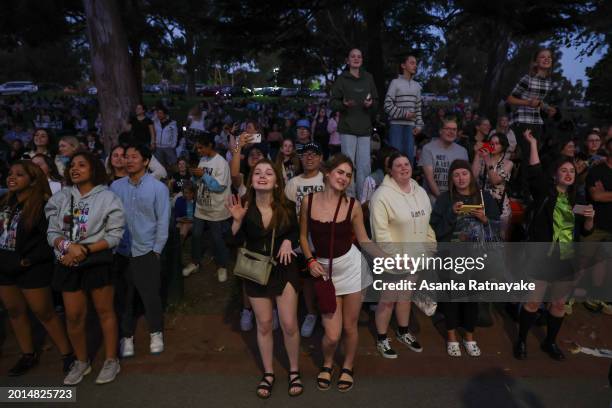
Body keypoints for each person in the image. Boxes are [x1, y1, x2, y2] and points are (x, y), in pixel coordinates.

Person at [514, 130, 595, 361]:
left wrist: (589, 218)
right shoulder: (546, 193)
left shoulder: (577, 199)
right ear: (555, 175)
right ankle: (521, 340)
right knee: (533, 302)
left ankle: (550, 342)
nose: (568, 174)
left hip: (567, 258)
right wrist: (532, 143)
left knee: (558, 304)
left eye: (572, 170)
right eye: (564, 170)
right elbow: (534, 171)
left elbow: (585, 231)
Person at [45, 151, 125, 385]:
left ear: (94, 169)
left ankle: (111, 360)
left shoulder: (108, 198)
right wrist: (67, 249)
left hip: (97, 262)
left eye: (82, 164)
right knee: (73, 316)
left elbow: (114, 236)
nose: (75, 169)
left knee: (104, 311)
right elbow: (52, 233)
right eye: (72, 165)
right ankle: (81, 361)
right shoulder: (60, 198)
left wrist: (85, 250)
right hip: (67, 262)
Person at [226, 159, 303, 399]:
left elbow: (296, 234)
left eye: (268, 173)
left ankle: (293, 370)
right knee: (265, 324)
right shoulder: (244, 206)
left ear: (277, 182)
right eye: (257, 172)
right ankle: (269, 373)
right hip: (256, 270)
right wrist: (237, 221)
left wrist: (290, 241)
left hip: (284, 268)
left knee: (289, 324)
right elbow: (232, 243)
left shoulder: (288, 207)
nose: (262, 176)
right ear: (251, 181)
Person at [300, 154, 373, 392]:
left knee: (350, 327)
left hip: (352, 269)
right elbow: (302, 236)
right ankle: (328, 363)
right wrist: (310, 260)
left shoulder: (352, 207)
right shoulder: (308, 201)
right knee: (332, 335)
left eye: (349, 175)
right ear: (328, 173)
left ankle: (348, 366)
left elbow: (364, 241)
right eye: (340, 172)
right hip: (324, 273)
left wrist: (394, 260)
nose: (344, 178)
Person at [0, 161, 73, 377]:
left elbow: (49, 240)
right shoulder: (4, 201)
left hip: (31, 268)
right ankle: (27, 354)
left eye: (19, 175)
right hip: (4, 268)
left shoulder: (43, 205)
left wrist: (26, 261)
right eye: (10, 173)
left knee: (44, 313)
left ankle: (68, 354)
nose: (11, 177)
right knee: (14, 311)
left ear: (33, 181)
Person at [430, 160, 500, 357]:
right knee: (452, 299)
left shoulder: (484, 197)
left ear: (471, 175)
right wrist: (451, 214)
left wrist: (485, 219)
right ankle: (452, 336)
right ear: (451, 179)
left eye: (464, 173)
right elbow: (435, 230)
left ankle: (469, 336)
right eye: (456, 175)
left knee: (472, 299)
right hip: (451, 256)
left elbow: (498, 228)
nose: (461, 178)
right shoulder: (445, 199)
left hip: (477, 256)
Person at [369, 152, 436, 358]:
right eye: (398, 165)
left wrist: (430, 243)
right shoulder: (381, 196)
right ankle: (382, 338)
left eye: (406, 164)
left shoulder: (420, 190)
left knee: (405, 297)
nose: (404, 168)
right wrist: (397, 257)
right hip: (393, 260)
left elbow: (426, 220)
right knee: (388, 299)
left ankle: (402, 332)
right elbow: (380, 233)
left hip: (416, 257)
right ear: (390, 170)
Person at [111, 144, 170, 358]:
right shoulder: (115, 187)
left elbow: (163, 220)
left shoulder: (157, 188)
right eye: (126, 156)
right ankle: (126, 337)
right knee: (124, 297)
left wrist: (157, 249)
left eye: (134, 156)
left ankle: (156, 332)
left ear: (146, 161)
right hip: (122, 251)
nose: (128, 160)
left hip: (147, 251)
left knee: (151, 296)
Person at [284, 142, 325, 337]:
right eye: (305, 154)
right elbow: (288, 214)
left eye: (314, 154)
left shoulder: (327, 180)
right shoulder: (294, 184)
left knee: (327, 278)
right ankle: (311, 313)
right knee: (308, 279)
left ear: (321, 158)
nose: (309, 157)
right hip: (303, 240)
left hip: (325, 238)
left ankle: (327, 312)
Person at [182, 134, 232, 281]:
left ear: (210, 145)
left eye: (201, 147)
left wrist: (203, 174)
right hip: (201, 207)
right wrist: (194, 177)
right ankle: (195, 262)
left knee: (217, 238)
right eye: (197, 147)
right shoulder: (203, 160)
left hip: (216, 208)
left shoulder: (221, 163)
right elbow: (200, 180)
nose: (198, 150)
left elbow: (218, 187)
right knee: (196, 236)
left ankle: (222, 266)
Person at [330, 48, 378, 198]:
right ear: (348, 60)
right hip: (347, 128)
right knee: (347, 166)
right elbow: (333, 103)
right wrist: (343, 104)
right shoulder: (342, 79)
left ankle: (364, 200)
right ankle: (348, 197)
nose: (356, 59)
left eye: (359, 56)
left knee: (364, 166)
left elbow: (376, 101)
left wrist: (371, 104)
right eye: (353, 56)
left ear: (362, 60)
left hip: (364, 129)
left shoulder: (368, 78)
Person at [507, 48, 557, 193]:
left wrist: (547, 108)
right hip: (523, 120)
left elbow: (538, 102)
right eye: (542, 57)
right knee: (527, 155)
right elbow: (510, 99)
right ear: (536, 62)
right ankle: (523, 191)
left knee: (534, 156)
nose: (547, 59)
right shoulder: (527, 79)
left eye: (549, 57)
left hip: (537, 122)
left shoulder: (548, 82)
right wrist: (528, 103)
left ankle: (528, 189)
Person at [582, 137, 612, 314]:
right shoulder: (597, 171)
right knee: (583, 260)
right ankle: (568, 297)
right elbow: (597, 196)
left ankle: (596, 296)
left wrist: (605, 193)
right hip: (595, 223)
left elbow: (602, 195)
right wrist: (601, 194)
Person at [383, 54, 424, 165]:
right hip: (396, 126)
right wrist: (405, 114)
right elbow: (387, 105)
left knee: (409, 160)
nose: (415, 66)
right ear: (403, 65)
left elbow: (418, 108)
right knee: (395, 159)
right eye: (411, 63)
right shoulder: (395, 83)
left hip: (410, 127)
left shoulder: (417, 86)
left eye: (416, 63)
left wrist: (419, 125)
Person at [471, 133, 514, 239]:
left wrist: (487, 161)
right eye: (491, 143)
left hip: (499, 207)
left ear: (503, 146)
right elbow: (472, 177)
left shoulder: (508, 163)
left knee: (499, 238)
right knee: (480, 237)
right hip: (482, 204)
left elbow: (495, 180)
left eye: (496, 143)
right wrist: (477, 154)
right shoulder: (482, 159)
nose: (493, 146)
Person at [418, 118, 469, 203]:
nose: (451, 132)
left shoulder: (462, 151)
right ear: (440, 131)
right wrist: (442, 200)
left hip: (456, 196)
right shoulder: (428, 149)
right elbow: (430, 178)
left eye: (454, 129)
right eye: (448, 129)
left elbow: (466, 178)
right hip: (432, 196)